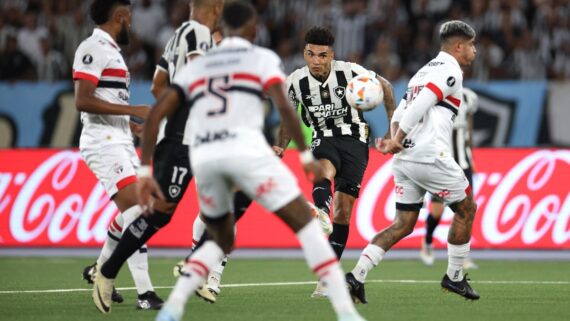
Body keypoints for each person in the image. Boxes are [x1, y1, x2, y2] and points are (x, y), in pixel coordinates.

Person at [136, 2, 366, 321]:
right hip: (245, 154)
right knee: (309, 227)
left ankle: (175, 306)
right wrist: (302, 153)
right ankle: (346, 313)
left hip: (204, 155)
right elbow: (286, 108)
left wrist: (146, 168)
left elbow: (158, 111)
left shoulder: (200, 63)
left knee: (220, 230)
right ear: (252, 30)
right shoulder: (261, 59)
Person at [93, 0, 228, 309]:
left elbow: (157, 86)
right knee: (160, 214)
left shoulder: (176, 37)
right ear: (217, 8)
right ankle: (108, 270)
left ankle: (200, 267)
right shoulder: (199, 34)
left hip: (193, 137)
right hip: (185, 139)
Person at [345, 20, 479, 304]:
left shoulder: (423, 71)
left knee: (403, 224)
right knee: (466, 208)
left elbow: (401, 109)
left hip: (406, 159)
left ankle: (356, 275)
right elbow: (420, 105)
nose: (475, 51)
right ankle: (454, 277)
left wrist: (394, 139)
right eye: (471, 45)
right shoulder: (450, 69)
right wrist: (397, 138)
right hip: (429, 155)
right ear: (458, 46)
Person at [273, 26, 396, 298]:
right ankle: (319, 211)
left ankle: (327, 275)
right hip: (322, 137)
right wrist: (281, 145)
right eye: (311, 54)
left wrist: (392, 129)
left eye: (322, 55)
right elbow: (288, 117)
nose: (316, 61)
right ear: (304, 53)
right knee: (323, 168)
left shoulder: (351, 71)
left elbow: (385, 87)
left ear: (332, 55)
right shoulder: (295, 81)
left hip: (355, 141)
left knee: (344, 212)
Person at [73, 0, 162, 312]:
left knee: (134, 212)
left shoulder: (111, 51)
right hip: (103, 143)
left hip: (120, 139)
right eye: (130, 18)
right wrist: (131, 109)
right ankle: (145, 292)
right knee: (141, 210)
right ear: (121, 17)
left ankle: (99, 269)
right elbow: (82, 100)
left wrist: (130, 124)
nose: (131, 25)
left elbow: (103, 97)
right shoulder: (93, 48)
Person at [420, 87, 479, 270]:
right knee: (437, 211)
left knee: (465, 210)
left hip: (463, 163)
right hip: (441, 162)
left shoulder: (470, 97)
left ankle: (462, 256)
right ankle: (428, 241)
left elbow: (469, 126)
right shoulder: (434, 96)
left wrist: (472, 155)